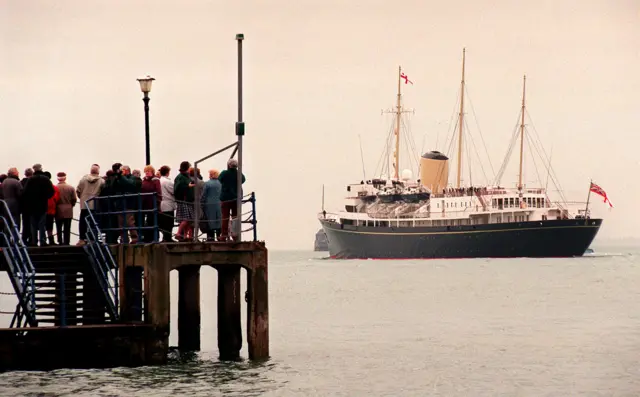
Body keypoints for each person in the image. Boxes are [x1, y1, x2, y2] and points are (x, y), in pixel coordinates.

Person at [22, 164, 54, 246]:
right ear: (41, 169)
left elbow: (25, 192)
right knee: (42, 224)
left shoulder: (31, 179)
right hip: (43, 204)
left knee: (33, 224)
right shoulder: (46, 179)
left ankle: (34, 241)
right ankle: (43, 241)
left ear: (34, 170)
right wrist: (45, 197)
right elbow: (51, 192)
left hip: (32, 205)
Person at [218, 158, 245, 242]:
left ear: (229, 165)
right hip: (236, 198)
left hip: (225, 198)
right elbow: (243, 180)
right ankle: (235, 235)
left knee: (225, 217)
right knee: (235, 217)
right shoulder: (239, 174)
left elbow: (220, 179)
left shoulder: (224, 173)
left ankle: (224, 235)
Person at [55, 172, 77, 245]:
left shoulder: (55, 187)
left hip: (58, 209)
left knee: (59, 227)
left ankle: (60, 241)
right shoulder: (71, 188)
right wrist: (71, 205)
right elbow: (74, 199)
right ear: (65, 178)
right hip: (68, 209)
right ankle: (66, 242)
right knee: (67, 227)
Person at [202, 169, 222, 241]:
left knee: (210, 220)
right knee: (219, 220)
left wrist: (202, 204)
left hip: (209, 204)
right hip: (219, 204)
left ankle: (211, 237)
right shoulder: (221, 183)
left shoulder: (207, 184)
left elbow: (204, 195)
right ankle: (219, 236)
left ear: (211, 175)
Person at [158, 165, 176, 242]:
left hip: (161, 203)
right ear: (167, 172)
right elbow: (174, 191)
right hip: (168, 204)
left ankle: (165, 237)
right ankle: (168, 238)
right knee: (169, 222)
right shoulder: (167, 181)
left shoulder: (159, 180)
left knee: (163, 222)